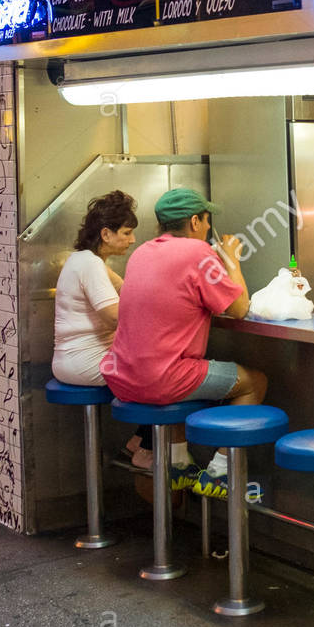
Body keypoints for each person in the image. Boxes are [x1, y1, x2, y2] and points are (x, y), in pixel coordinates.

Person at [101, 188, 266, 499]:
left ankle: (178, 464)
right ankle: (219, 471)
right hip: (161, 380)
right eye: (206, 221)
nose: (207, 228)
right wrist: (232, 261)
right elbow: (240, 308)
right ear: (194, 221)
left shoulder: (142, 253)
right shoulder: (198, 253)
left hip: (121, 376)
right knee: (255, 382)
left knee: (182, 374)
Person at [50, 190, 172, 477]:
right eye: (127, 233)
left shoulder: (84, 260)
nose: (131, 240)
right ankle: (146, 450)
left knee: (158, 367)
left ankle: (137, 442)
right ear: (106, 233)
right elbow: (115, 314)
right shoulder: (90, 264)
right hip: (84, 363)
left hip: (71, 362)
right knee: (164, 375)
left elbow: (130, 291)